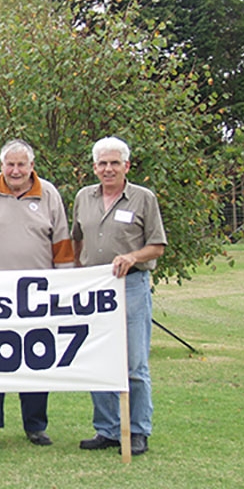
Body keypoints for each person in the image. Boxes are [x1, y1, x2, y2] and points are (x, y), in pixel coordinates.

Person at [0, 139, 74, 451]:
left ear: (31, 167)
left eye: (21, 165)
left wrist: (63, 290)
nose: (15, 170)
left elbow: (62, 244)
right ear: (1, 166)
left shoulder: (49, 194)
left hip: (38, 297)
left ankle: (36, 426)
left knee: (36, 360)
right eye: (9, 164)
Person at [72, 136, 167, 457]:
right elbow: (76, 242)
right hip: (93, 292)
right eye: (102, 163)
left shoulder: (143, 198)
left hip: (131, 287)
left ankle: (138, 430)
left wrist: (133, 257)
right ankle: (109, 429)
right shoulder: (83, 197)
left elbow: (157, 246)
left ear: (126, 166)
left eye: (115, 163)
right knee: (96, 361)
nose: (108, 169)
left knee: (134, 364)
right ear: (95, 167)